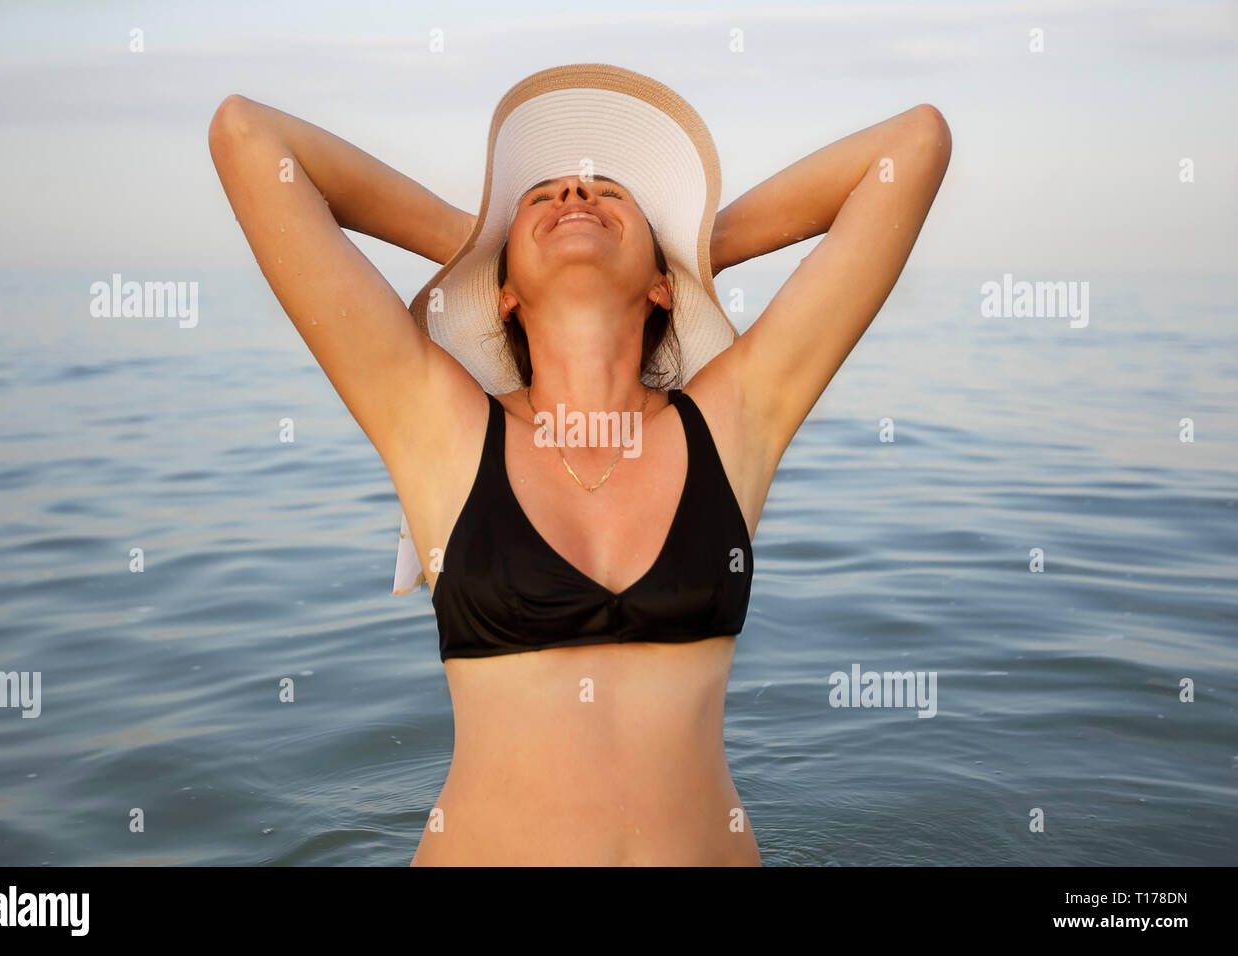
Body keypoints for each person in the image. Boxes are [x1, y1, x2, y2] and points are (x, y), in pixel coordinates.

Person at [208, 63, 950, 865]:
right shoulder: (434, 422)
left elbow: (914, 146)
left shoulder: (736, 421)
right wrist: (473, 240)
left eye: (608, 195)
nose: (574, 197)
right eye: (542, 197)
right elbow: (248, 136)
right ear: (502, 297)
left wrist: (694, 244)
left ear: (665, 287)